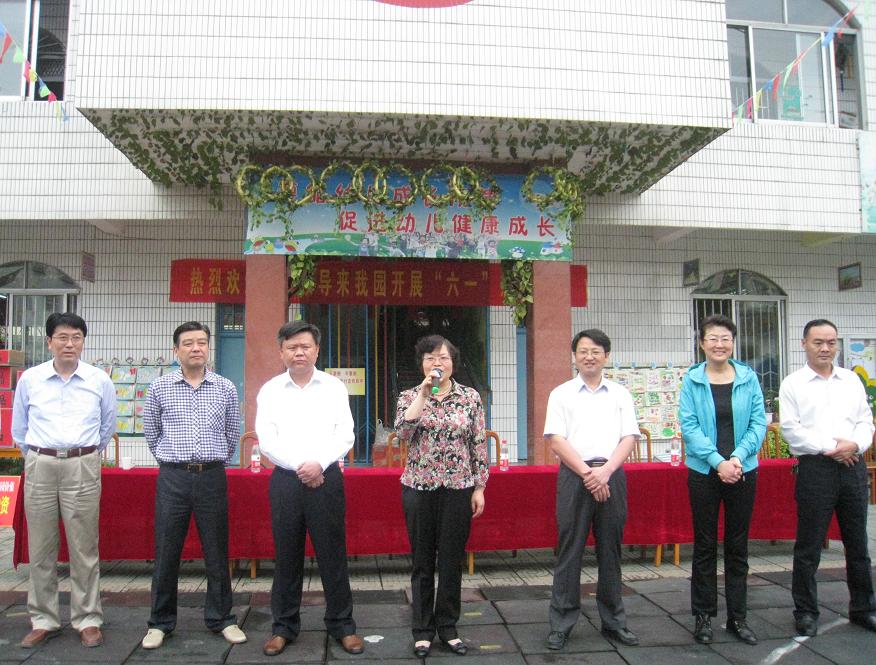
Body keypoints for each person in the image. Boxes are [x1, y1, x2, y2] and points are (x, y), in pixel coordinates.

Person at [255, 320, 364, 657]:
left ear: (316, 350)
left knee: (333, 555)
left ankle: (343, 626)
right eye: (292, 347)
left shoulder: (333, 387)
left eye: (305, 346)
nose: (299, 352)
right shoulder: (270, 390)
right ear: (281, 352)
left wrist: (318, 463)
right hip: (286, 482)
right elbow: (267, 440)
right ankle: (283, 627)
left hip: (326, 478)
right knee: (286, 556)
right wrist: (302, 467)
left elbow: (345, 433)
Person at [11, 312, 116, 648]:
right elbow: (19, 429)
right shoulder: (31, 379)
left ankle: (87, 618)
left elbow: (107, 426)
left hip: (82, 465)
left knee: (84, 547)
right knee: (41, 547)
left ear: (83, 342)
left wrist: (84, 454)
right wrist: (38, 455)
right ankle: (44, 619)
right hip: (40, 464)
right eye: (62, 337)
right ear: (49, 342)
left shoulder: (99, 380)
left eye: (76, 337)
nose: (69, 344)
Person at [140, 322, 246, 649]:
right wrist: (172, 460)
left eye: (201, 342)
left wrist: (214, 460)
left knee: (217, 550)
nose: (196, 348)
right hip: (173, 477)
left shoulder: (225, 388)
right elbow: (151, 433)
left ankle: (222, 618)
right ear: (176, 350)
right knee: (166, 550)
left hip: (212, 476)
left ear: (208, 348)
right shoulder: (159, 387)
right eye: (188, 343)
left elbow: (232, 433)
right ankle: (160, 623)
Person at [544, 329, 640, 651]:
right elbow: (556, 439)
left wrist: (606, 472)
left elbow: (629, 437)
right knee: (569, 549)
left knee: (610, 551)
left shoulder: (620, 394)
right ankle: (561, 623)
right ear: (574, 356)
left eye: (596, 351)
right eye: (583, 351)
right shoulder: (561, 394)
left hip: (611, 475)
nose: (589, 356)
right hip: (575, 476)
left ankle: (614, 622)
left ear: (606, 356)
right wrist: (589, 475)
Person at [394, 335, 489, 658]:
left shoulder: (469, 397)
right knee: (422, 561)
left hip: (458, 489)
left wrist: (480, 487)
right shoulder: (409, 396)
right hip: (419, 488)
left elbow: (478, 443)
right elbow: (403, 433)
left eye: (444, 358)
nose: (437, 363)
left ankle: (448, 628)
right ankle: (422, 631)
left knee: (451, 561)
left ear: (453, 363)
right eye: (430, 358)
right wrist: (423, 394)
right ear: (422, 363)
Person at [780, 319, 876, 637]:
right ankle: (806, 611)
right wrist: (832, 448)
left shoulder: (851, 380)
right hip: (815, 469)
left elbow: (865, 421)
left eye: (831, 342)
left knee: (858, 544)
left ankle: (863, 608)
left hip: (853, 467)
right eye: (818, 342)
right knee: (809, 546)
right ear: (804, 344)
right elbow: (791, 430)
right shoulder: (793, 384)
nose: (825, 348)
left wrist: (855, 445)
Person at [679, 315, 766, 645]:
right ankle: (703, 616)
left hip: (742, 470)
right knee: (704, 545)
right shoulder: (692, 380)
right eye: (713, 338)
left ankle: (737, 618)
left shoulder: (748, 377)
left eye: (725, 338)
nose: (719, 344)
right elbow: (689, 427)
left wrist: (737, 458)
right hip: (704, 472)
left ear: (733, 342)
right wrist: (718, 462)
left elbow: (758, 423)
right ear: (702, 343)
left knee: (738, 546)